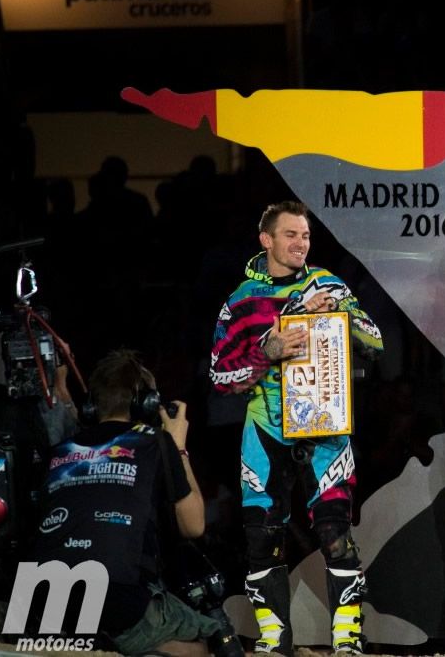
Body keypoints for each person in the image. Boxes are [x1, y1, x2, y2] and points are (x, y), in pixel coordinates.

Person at [209, 200, 383, 656]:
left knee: (335, 533)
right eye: (290, 235)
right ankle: (273, 643)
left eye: (305, 236)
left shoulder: (328, 283)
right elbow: (220, 378)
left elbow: (374, 342)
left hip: (326, 426)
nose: (300, 244)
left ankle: (348, 640)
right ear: (266, 240)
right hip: (265, 432)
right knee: (262, 539)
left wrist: (338, 312)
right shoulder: (241, 299)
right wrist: (268, 348)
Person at [27, 350, 219, 655]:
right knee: (203, 642)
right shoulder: (154, 441)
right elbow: (193, 525)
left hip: (37, 600)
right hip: (116, 595)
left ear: (91, 406)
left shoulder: (59, 452)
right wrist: (179, 447)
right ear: (147, 404)